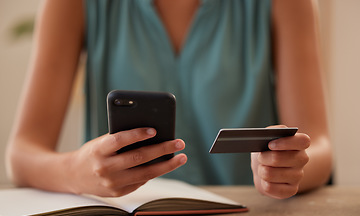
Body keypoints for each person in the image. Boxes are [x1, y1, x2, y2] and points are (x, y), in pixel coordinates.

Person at [5, 0, 332, 199]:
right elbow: (21, 155)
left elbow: (318, 146)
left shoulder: (286, 2)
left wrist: (290, 168)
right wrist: (74, 171)